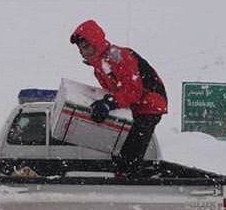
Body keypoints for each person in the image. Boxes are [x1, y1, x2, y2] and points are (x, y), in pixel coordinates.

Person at [70, 19, 168, 175]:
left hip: (150, 105)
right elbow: (117, 93)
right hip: (135, 107)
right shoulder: (99, 68)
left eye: (86, 46)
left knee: (130, 155)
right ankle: (125, 177)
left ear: (96, 42)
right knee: (119, 153)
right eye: (81, 48)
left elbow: (132, 91)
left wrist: (109, 103)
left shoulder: (117, 56)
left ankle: (130, 184)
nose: (83, 51)